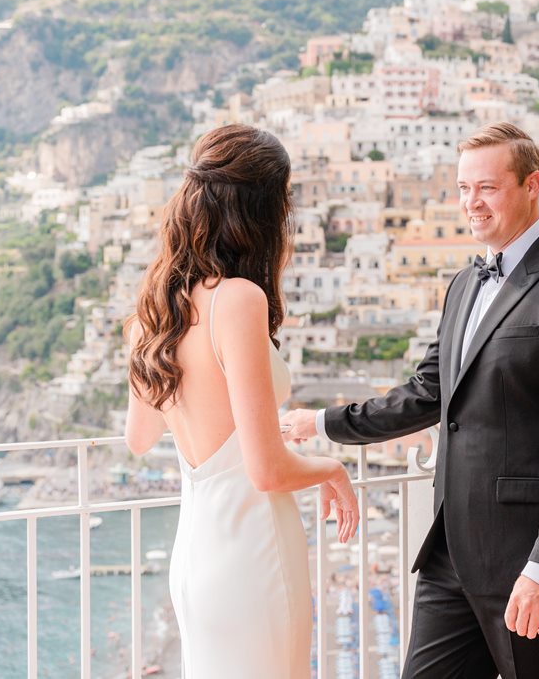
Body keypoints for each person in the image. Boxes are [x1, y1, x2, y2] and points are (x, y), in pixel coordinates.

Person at [283, 122, 539, 679]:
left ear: (531, 184)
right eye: (464, 188)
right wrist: (323, 424)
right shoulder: (464, 284)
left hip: (531, 561)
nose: (472, 202)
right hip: (450, 557)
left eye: (487, 188)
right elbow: (428, 392)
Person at [124, 124, 358, 678]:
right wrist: (333, 468)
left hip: (196, 555)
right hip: (253, 554)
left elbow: (139, 439)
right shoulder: (238, 300)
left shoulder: (150, 315)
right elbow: (267, 470)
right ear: (263, 210)